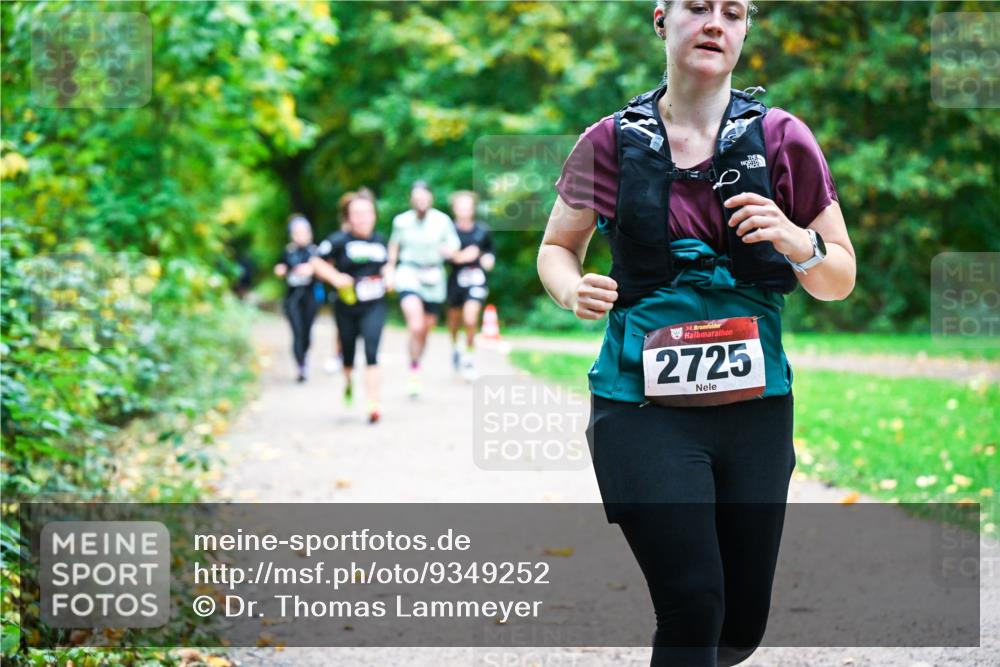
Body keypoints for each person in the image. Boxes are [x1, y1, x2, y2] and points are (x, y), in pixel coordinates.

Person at [537, 1, 856, 665]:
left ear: (744, 30)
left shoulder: (783, 139)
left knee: (738, 626)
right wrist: (572, 287)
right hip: (639, 407)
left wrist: (799, 242)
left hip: (755, 410)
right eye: (698, 7)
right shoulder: (608, 141)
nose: (715, 21)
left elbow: (840, 275)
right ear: (662, 19)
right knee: (693, 602)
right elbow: (555, 248)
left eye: (733, 12)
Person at [313, 189, 389, 424]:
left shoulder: (380, 241)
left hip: (375, 304)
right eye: (356, 213)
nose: (362, 218)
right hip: (346, 306)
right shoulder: (338, 240)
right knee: (348, 353)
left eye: (367, 213)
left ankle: (373, 403)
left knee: (371, 350)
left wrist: (390, 276)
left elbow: (388, 266)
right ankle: (348, 382)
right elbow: (316, 261)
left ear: (374, 215)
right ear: (348, 217)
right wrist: (336, 277)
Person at [385, 181, 461, 397]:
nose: (420, 201)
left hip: (434, 276)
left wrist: (450, 251)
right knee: (416, 325)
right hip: (408, 273)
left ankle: (415, 365)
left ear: (431, 198)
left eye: (424, 197)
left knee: (426, 330)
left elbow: (454, 245)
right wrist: (390, 270)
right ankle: (413, 370)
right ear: (411, 199)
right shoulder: (401, 221)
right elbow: (394, 247)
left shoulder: (442, 220)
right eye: (416, 197)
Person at [445, 190, 495, 380]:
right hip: (455, 281)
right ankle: (456, 346)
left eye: (468, 206)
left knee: (471, 318)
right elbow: (444, 256)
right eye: (461, 206)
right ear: (454, 209)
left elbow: (490, 252)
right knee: (454, 320)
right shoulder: (448, 231)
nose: (464, 209)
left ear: (473, 208)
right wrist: (460, 257)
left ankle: (469, 357)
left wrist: (485, 258)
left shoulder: (482, 230)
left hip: (476, 281)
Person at [273, 214, 320, 383]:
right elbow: (280, 267)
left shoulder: (316, 252)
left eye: (304, 232)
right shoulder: (288, 252)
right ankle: (300, 366)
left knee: (307, 333)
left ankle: (304, 356)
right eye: (297, 232)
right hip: (292, 298)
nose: (301, 236)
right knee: (297, 332)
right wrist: (281, 270)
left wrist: (313, 270)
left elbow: (326, 271)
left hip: (310, 297)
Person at [323, 191, 358, 375]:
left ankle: (349, 355)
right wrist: (335, 277)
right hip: (343, 287)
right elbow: (324, 261)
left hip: (364, 287)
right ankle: (338, 355)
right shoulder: (338, 238)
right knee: (342, 324)